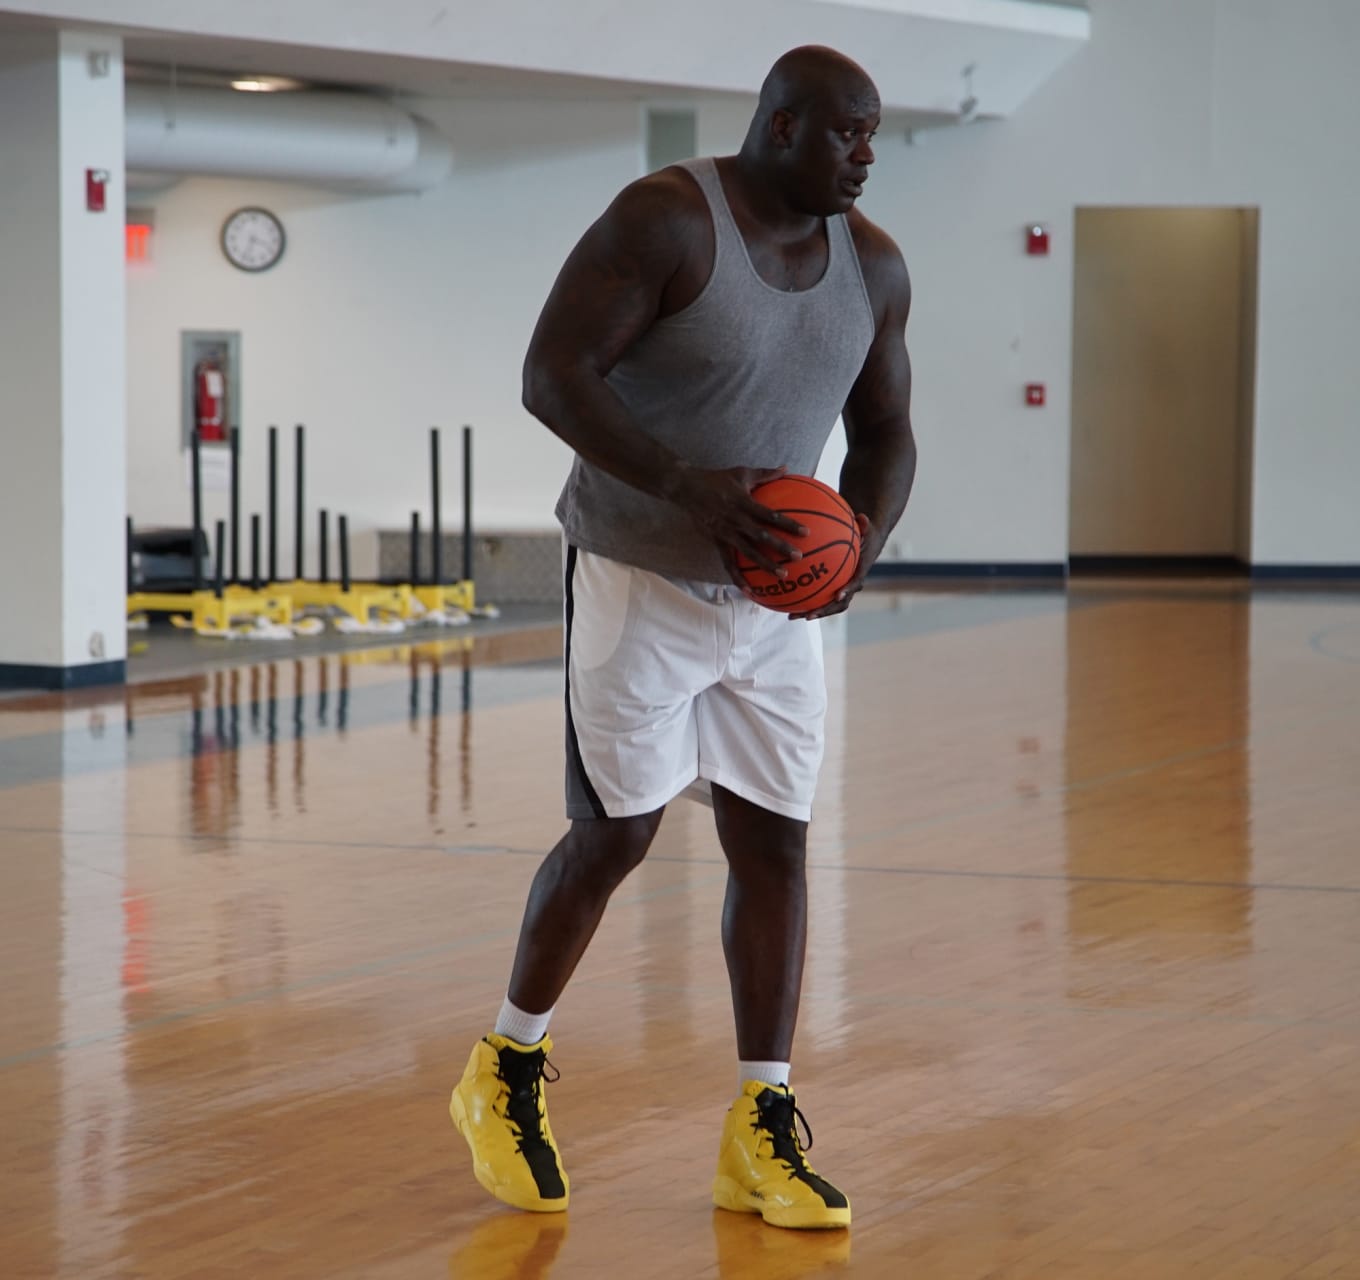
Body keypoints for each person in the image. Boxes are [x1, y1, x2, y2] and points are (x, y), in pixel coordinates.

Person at [450, 44, 917, 1232]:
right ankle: (504, 1067)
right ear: (777, 127)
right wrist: (684, 488)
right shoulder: (666, 220)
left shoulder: (873, 266)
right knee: (614, 833)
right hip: (635, 573)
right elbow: (552, 374)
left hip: (773, 602)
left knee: (777, 846)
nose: (866, 155)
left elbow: (886, 430)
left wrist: (865, 535)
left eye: (873, 135)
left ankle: (761, 1122)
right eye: (846, 133)